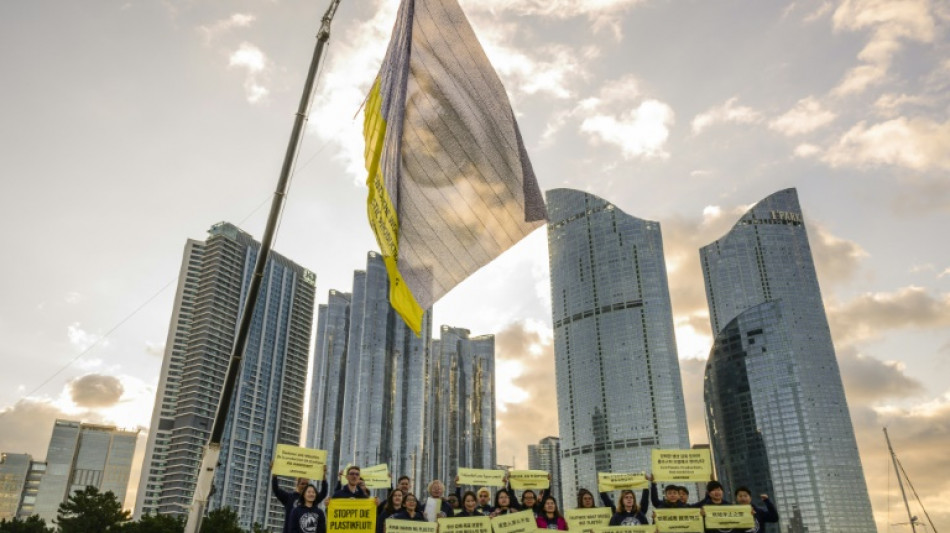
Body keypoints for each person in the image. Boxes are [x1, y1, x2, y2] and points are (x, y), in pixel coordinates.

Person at [271, 463, 328, 533]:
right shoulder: (289, 498)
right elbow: (276, 489)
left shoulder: (312, 499)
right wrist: (274, 473)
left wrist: (324, 475)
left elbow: (323, 492)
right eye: (302, 484)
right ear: (297, 484)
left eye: (306, 484)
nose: (304, 486)